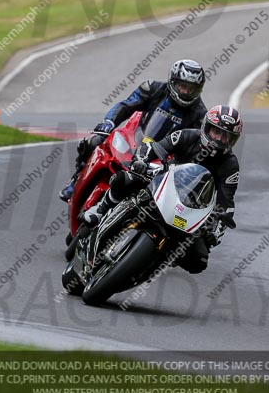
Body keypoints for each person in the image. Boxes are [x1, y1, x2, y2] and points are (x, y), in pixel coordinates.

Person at [84, 104, 243, 274]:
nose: (220, 139)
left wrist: (216, 231)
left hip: (190, 207)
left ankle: (156, 260)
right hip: (162, 179)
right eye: (216, 132)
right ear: (206, 127)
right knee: (126, 178)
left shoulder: (230, 166)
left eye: (227, 136)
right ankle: (100, 209)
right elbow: (157, 147)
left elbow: (226, 204)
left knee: (199, 261)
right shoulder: (188, 135)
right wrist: (141, 160)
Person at [59, 59, 207, 201]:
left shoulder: (200, 115)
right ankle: (76, 180)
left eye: (192, 89)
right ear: (173, 82)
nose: (186, 92)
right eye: (183, 86)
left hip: (162, 156)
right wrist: (108, 123)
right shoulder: (152, 89)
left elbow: (195, 147)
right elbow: (125, 105)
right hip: (134, 136)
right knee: (93, 142)